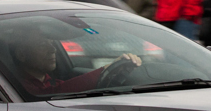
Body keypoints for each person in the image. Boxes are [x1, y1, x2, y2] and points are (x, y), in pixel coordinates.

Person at [11, 34, 141, 96]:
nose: (53, 50)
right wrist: (105, 70)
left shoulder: (52, 82)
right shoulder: (16, 87)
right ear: (22, 55)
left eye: (52, 44)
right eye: (42, 45)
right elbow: (52, 93)